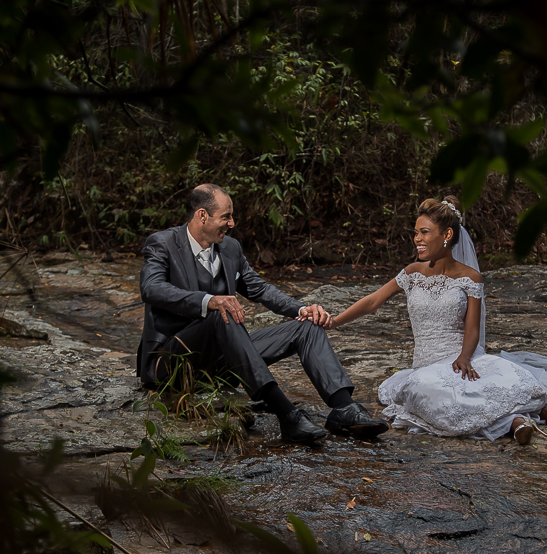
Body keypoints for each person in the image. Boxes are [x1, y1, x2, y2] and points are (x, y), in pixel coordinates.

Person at [329, 196, 547, 443]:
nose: (417, 239)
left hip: (462, 357)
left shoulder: (470, 278)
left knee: (504, 379)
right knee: (430, 393)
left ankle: (541, 411)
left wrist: (465, 357)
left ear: (446, 235)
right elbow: (372, 301)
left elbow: (473, 328)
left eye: (424, 232)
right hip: (426, 364)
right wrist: (334, 321)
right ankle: (516, 421)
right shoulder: (411, 273)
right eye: (415, 232)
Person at [137, 183, 389, 444]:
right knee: (223, 313)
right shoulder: (163, 243)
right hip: (173, 361)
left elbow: (260, 289)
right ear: (202, 215)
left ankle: (344, 409)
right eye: (226, 216)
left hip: (223, 359)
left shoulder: (230, 248)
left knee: (307, 326)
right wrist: (209, 301)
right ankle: (287, 414)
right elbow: (151, 288)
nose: (232, 223)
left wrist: (301, 309)